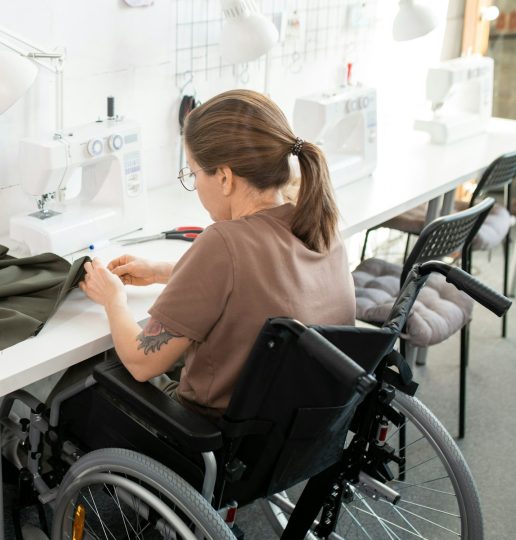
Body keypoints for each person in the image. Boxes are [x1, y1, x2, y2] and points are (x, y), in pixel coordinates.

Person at [79, 89, 355, 418]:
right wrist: (164, 271)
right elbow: (259, 282)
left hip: (208, 440)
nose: (194, 185)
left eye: (193, 173)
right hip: (298, 430)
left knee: (82, 380)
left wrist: (113, 300)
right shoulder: (320, 223)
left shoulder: (223, 243)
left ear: (224, 178)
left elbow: (142, 362)